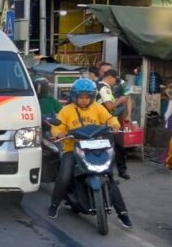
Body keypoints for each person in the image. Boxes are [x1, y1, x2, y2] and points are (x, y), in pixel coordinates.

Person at [47, 78, 131, 227]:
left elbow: (110, 119)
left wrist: (115, 125)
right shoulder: (67, 110)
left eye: (87, 97)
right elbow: (57, 126)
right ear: (74, 96)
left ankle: (122, 213)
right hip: (72, 149)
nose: (84, 100)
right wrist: (58, 133)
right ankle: (54, 204)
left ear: (92, 97)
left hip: (96, 147)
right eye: (81, 97)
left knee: (110, 176)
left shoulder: (98, 108)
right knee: (64, 176)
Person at [96, 69, 131, 178]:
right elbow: (110, 106)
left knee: (118, 147)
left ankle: (120, 171)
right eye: (114, 80)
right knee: (111, 149)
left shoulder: (104, 87)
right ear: (110, 77)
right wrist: (120, 100)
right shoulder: (103, 88)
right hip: (105, 124)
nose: (115, 82)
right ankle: (109, 175)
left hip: (111, 122)